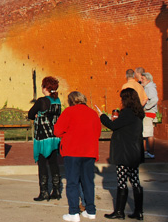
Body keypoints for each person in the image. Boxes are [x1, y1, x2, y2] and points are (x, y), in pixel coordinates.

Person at [98, 88, 145, 220]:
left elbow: (113, 126)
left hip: (125, 152)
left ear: (126, 99)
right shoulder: (138, 113)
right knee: (135, 180)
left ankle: (119, 211)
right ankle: (138, 211)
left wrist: (102, 116)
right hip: (134, 151)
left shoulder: (127, 113)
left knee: (122, 181)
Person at [54, 91, 101, 222]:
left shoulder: (69, 112)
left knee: (73, 182)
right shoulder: (92, 113)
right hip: (89, 151)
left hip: (72, 151)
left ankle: (74, 212)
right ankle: (90, 210)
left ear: (71, 100)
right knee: (88, 182)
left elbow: (57, 130)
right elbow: (97, 132)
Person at [27, 76, 62, 201]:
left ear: (45, 87)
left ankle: (44, 192)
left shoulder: (42, 101)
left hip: (42, 137)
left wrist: (37, 115)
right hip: (54, 136)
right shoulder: (57, 100)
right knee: (54, 163)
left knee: (42, 164)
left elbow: (30, 114)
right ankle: (57, 190)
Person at [141, 72, 159, 159]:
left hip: (148, 113)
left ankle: (149, 152)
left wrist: (146, 107)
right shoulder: (148, 87)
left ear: (148, 80)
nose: (141, 80)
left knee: (148, 133)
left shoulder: (149, 88)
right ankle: (147, 151)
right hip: (149, 112)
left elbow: (155, 99)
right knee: (146, 133)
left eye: (143, 79)